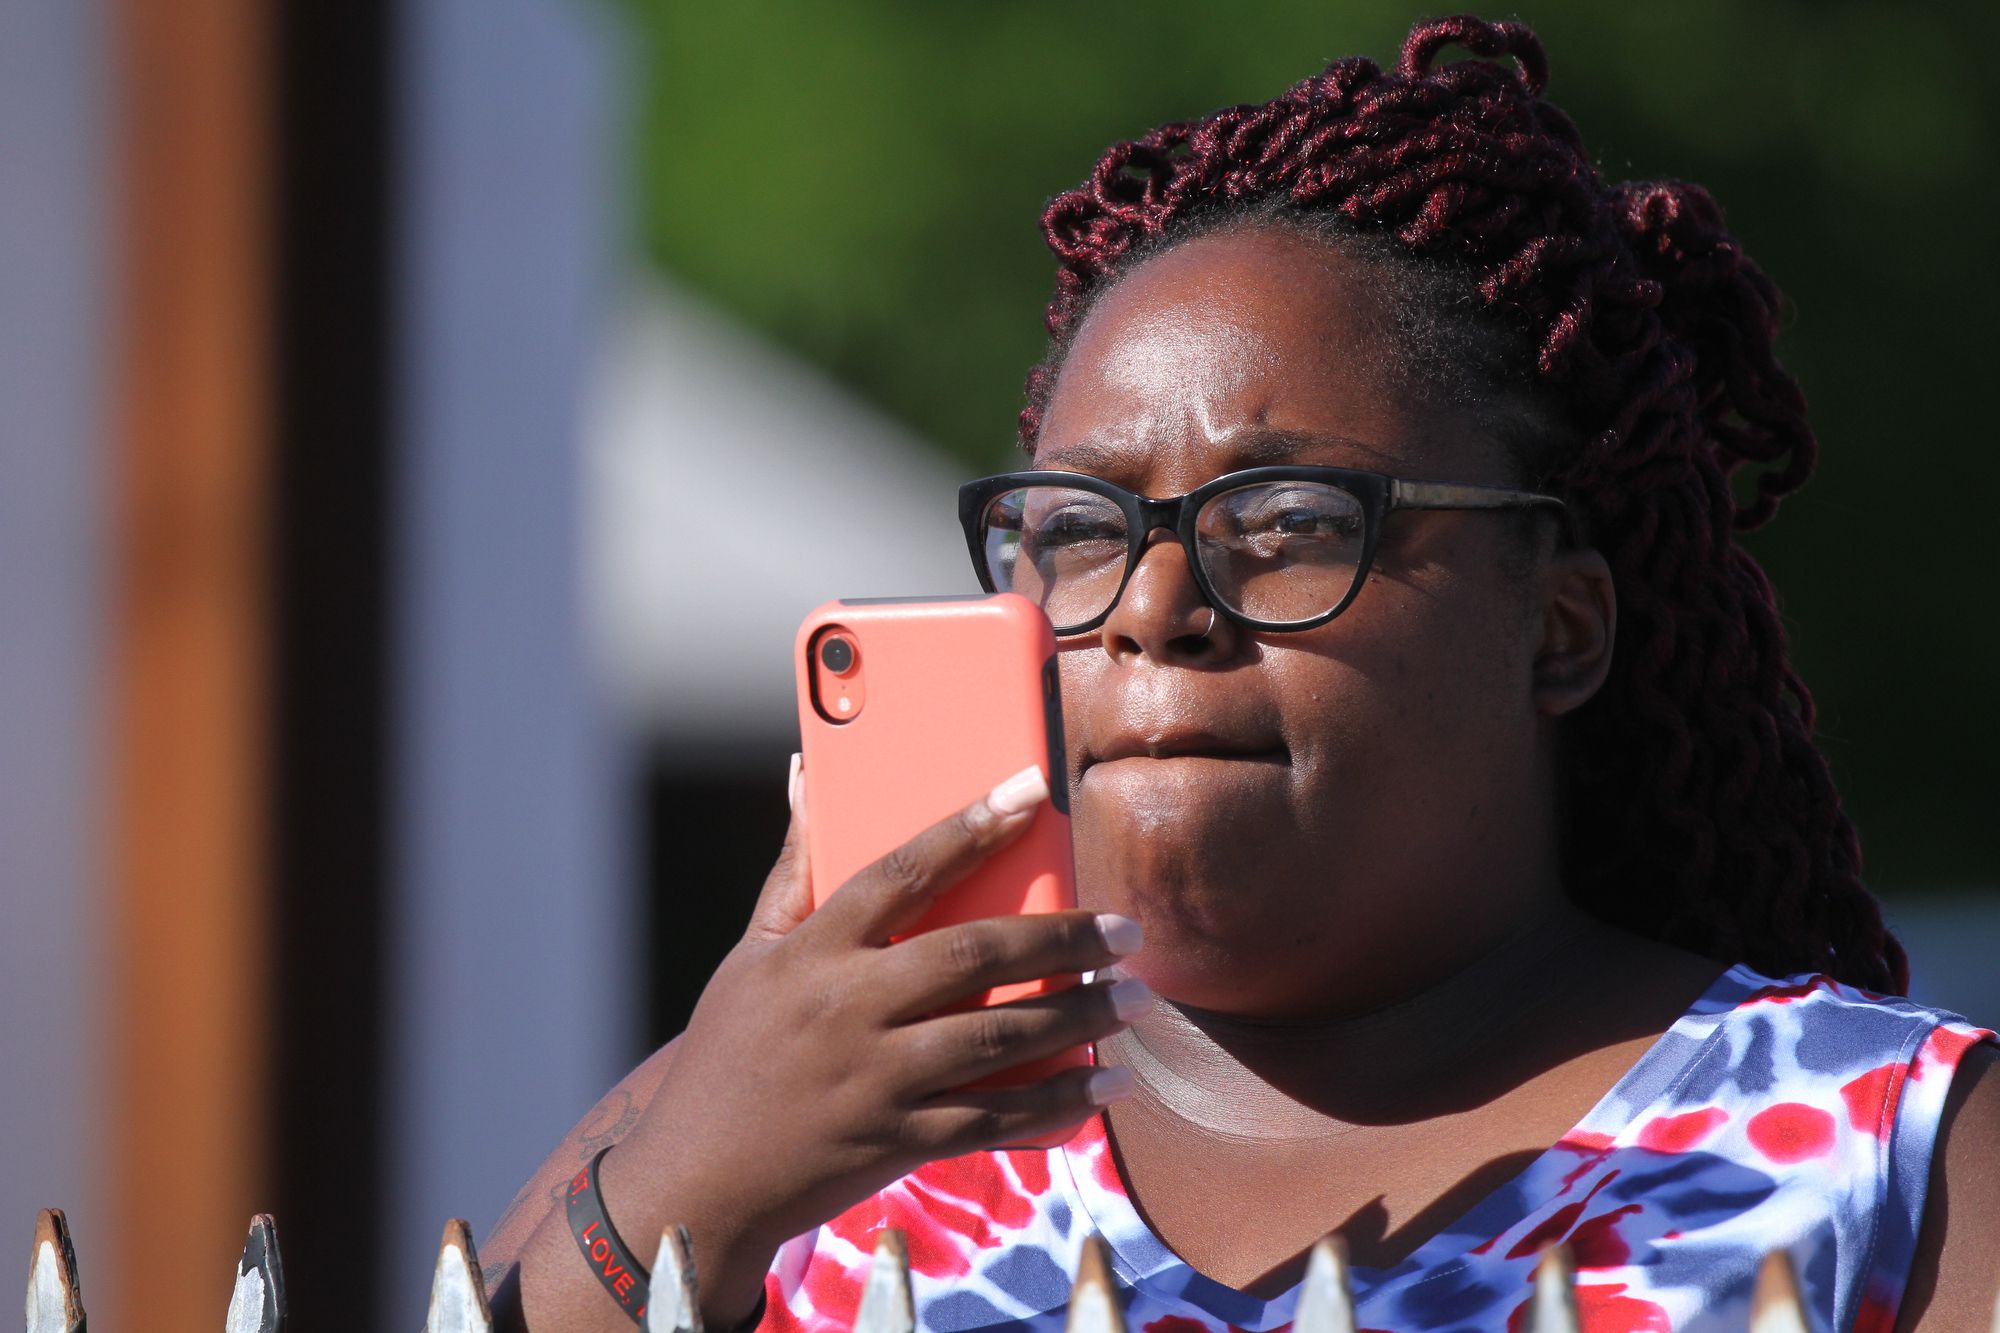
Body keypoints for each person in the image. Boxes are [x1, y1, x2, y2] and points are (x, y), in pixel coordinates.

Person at [482, 16, 1999, 1332]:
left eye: (1280, 524)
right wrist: (694, 1185)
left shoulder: (1884, 1150)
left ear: (1562, 627)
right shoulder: (802, 1100)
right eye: (1078, 527)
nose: (1151, 606)